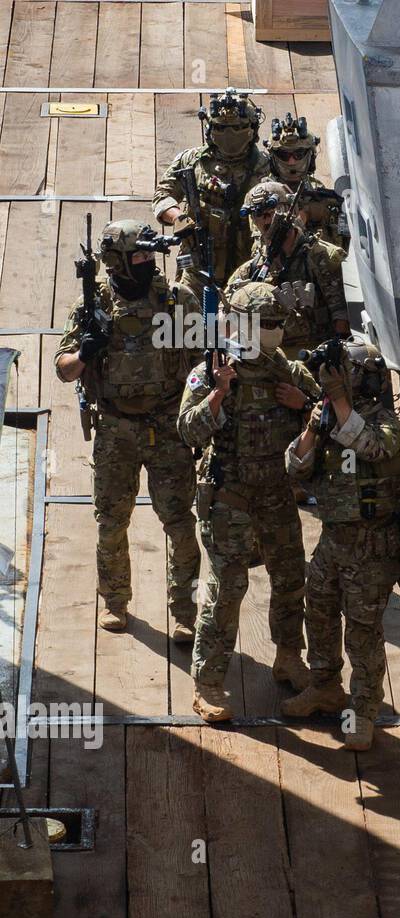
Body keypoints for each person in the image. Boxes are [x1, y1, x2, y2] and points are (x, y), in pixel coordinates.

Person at [177, 282, 317, 721]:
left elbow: (326, 421)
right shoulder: (213, 369)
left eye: (279, 322)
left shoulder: (288, 372)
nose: (276, 330)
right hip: (229, 494)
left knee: (291, 576)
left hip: (276, 492)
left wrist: (305, 404)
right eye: (268, 323)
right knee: (227, 588)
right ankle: (208, 681)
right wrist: (218, 394)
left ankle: (289, 655)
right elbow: (187, 431)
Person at [54, 221, 200, 638]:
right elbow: (64, 371)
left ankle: (185, 612)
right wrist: (85, 352)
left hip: (168, 423)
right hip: (116, 426)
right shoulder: (93, 305)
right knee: (111, 521)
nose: (147, 262)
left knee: (179, 521)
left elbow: (206, 352)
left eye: (150, 256)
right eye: (138, 256)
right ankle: (116, 602)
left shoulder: (173, 301)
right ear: (116, 262)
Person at [280, 341, 400, 751]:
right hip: (333, 539)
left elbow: (372, 446)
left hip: (372, 545)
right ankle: (324, 686)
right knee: (318, 614)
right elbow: (296, 467)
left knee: (363, 631)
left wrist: (336, 402)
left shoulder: (384, 421)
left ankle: (364, 710)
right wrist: (314, 426)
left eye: (342, 374)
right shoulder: (327, 417)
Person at [154, 88, 271, 292]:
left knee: (248, 320)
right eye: (222, 128)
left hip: (249, 264)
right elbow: (163, 195)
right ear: (209, 129)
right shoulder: (192, 161)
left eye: (238, 128)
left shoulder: (267, 166)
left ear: (252, 129)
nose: (230, 135)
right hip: (197, 263)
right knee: (187, 317)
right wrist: (178, 218)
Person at [226, 180, 349, 364]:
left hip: (313, 355)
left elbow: (342, 318)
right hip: (268, 358)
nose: (265, 219)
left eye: (271, 211)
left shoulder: (321, 257)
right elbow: (224, 316)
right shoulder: (252, 268)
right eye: (258, 214)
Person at [262, 113, 349, 252]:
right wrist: (305, 215)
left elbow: (343, 244)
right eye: (284, 155)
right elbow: (268, 245)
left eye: (299, 154)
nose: (292, 161)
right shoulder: (263, 195)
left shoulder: (319, 191)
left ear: (311, 157)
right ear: (273, 160)